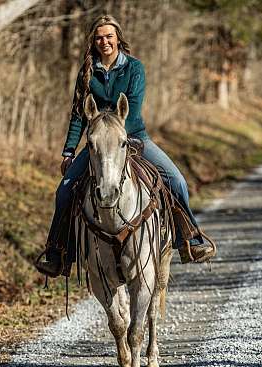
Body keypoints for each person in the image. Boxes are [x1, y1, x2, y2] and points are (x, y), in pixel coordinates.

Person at [36, 15, 215, 277]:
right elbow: (78, 114)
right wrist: (69, 151)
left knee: (177, 181)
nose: (104, 41)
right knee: (64, 192)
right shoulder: (86, 72)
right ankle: (58, 253)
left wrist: (119, 135)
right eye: (99, 37)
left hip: (134, 137)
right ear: (93, 41)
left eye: (109, 36)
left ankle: (190, 241)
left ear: (118, 38)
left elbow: (131, 107)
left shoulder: (134, 68)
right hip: (98, 142)